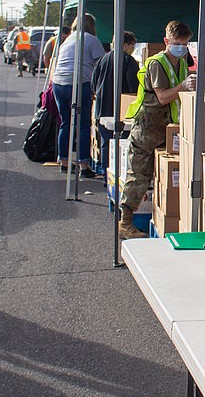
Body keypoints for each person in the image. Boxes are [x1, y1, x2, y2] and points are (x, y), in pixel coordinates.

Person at [118, 20, 196, 239]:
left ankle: (162, 217)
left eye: (184, 44)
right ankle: (125, 222)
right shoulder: (157, 63)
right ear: (166, 41)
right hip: (147, 127)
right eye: (177, 43)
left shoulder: (180, 63)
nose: (181, 47)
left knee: (164, 176)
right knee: (139, 175)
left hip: (166, 128)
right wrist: (183, 87)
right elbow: (162, 96)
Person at [52, 14, 106, 178]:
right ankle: (83, 164)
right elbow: (102, 64)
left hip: (58, 83)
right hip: (79, 82)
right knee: (82, 125)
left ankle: (64, 161)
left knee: (65, 123)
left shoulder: (67, 40)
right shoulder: (91, 39)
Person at [91, 30, 140, 175]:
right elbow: (134, 89)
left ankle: (107, 176)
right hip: (120, 111)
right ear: (125, 45)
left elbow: (93, 84)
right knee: (121, 146)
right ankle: (117, 176)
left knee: (107, 144)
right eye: (132, 46)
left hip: (102, 109)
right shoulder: (128, 61)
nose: (133, 49)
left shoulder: (102, 59)